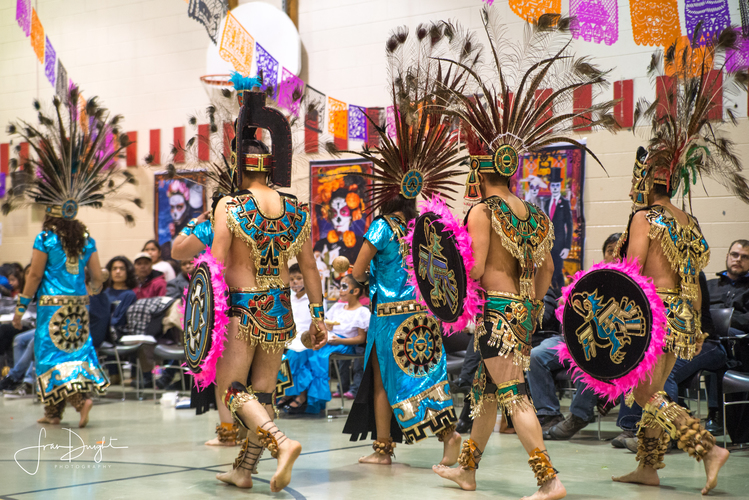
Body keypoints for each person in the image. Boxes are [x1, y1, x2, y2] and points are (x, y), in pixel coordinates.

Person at [609, 32, 749, 492]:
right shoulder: (687, 218)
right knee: (656, 389)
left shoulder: (644, 217)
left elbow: (632, 270)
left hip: (654, 314)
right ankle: (649, 466)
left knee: (648, 393)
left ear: (646, 181)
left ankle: (708, 448)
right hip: (683, 314)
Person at [209, 75, 327, 491]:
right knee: (263, 394)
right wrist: (318, 316)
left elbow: (217, 262)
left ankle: (280, 441)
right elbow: (310, 268)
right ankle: (244, 469)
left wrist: (203, 302)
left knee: (231, 389)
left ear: (241, 167)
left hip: (243, 309)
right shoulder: (296, 208)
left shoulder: (230, 205)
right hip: (280, 310)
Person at [3, 89, 138, 428]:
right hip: (78, 306)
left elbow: (33, 276)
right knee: (75, 353)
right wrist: (90, 290)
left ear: (49, 210)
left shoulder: (46, 237)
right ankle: (81, 398)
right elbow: (99, 276)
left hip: (51, 307)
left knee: (49, 355)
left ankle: (54, 412)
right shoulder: (86, 237)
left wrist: (21, 309)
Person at [532, 233, 621, 441]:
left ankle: (579, 415)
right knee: (537, 356)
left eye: (618, 252)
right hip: (572, 338)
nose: (614, 256)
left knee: (589, 357)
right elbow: (565, 302)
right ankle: (549, 415)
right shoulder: (590, 277)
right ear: (604, 255)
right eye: (610, 251)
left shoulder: (632, 283)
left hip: (604, 342)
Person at [283, 274, 369, 415]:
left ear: (356, 291)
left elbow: (360, 339)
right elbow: (326, 323)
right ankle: (297, 393)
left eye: (344, 287)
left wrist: (340, 340)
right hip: (329, 340)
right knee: (301, 350)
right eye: (340, 286)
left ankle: (310, 397)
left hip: (343, 344)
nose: (340, 290)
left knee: (316, 355)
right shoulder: (337, 307)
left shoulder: (362, 312)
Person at [707, 240, 749, 336]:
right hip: (705, 332)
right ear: (727, 257)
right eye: (734, 255)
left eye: (745, 257)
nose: (738, 259)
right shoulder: (709, 286)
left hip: (737, 336)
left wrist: (725, 320)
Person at [542, 168, 573, 291]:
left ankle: (559, 297)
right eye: (553, 185)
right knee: (547, 272)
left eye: (557, 185)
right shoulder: (547, 202)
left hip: (559, 245)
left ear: (560, 186)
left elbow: (569, 225)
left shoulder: (564, 203)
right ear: (550, 186)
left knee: (558, 272)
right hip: (548, 245)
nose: (555, 188)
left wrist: (567, 247)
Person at [104, 256, 139, 336]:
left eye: (122, 269)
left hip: (118, 333)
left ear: (128, 272)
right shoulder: (105, 292)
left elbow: (120, 320)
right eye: (114, 268)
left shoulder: (130, 295)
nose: (118, 272)